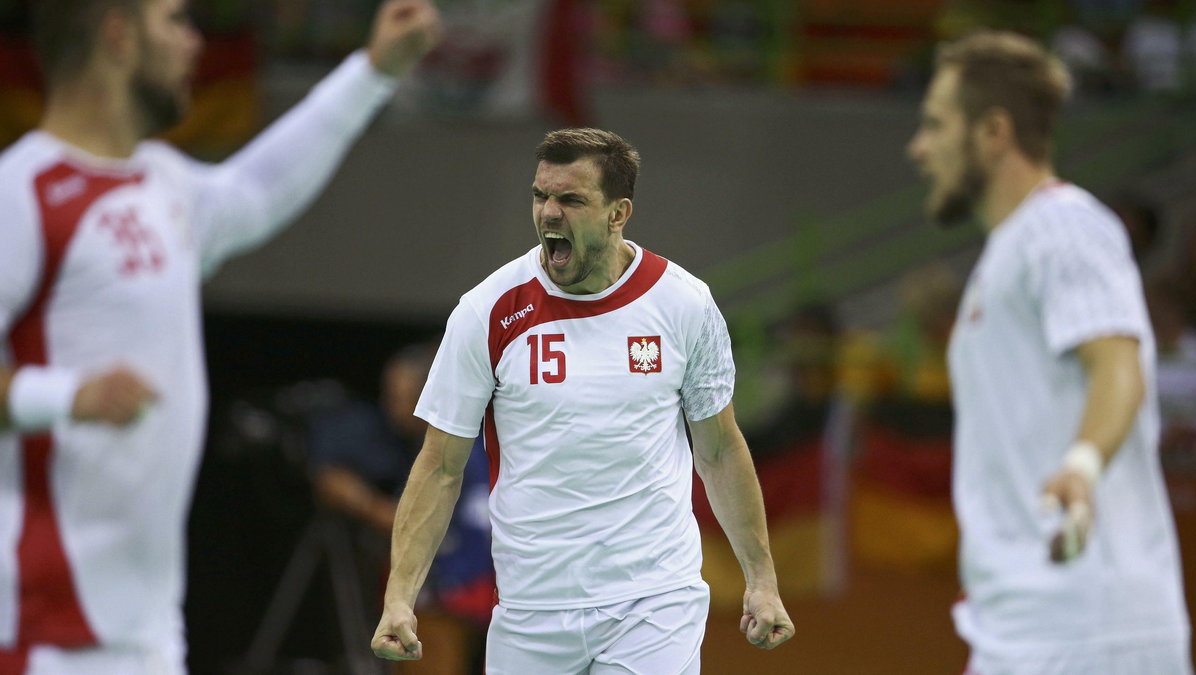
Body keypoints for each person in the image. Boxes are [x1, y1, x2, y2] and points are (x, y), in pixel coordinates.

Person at [0, 0, 442, 672]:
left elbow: (260, 187)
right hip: (43, 629)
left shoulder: (163, 184)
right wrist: (64, 396)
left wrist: (375, 71)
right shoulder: (23, 193)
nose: (194, 44)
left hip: (145, 632)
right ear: (118, 35)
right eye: (175, 21)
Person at [371, 128, 794, 672]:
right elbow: (440, 465)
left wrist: (761, 581)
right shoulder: (487, 311)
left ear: (618, 213)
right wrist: (400, 596)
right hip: (531, 607)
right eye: (540, 195)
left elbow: (718, 450)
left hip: (654, 598)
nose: (549, 213)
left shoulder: (683, 304)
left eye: (571, 199)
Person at [907, 30, 1191, 674]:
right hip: (1030, 626)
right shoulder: (1007, 254)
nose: (918, 149)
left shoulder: (1063, 225)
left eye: (935, 125)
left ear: (993, 132)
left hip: (1088, 628)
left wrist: (1083, 466)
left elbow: (1116, 362)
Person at [307, 344, 493, 675]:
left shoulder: (465, 451)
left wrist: (357, 498)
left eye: (398, 397)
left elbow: (432, 526)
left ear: (429, 394)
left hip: (459, 597)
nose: (389, 407)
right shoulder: (407, 445)